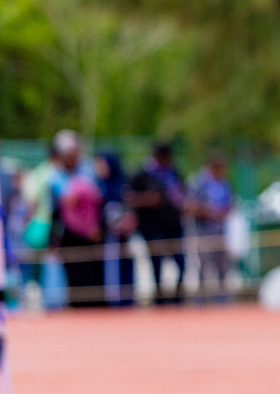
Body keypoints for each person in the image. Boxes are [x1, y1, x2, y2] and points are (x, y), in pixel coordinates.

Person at [49, 132, 105, 308]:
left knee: (93, 271)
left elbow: (96, 198)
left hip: (91, 232)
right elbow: (63, 203)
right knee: (73, 271)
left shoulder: (87, 172)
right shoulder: (55, 177)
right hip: (69, 232)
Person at [128, 142, 187, 305]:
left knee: (181, 262)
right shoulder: (141, 175)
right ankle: (159, 299)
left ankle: (177, 299)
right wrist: (149, 199)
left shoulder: (174, 173)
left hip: (173, 225)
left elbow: (183, 194)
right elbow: (129, 197)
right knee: (156, 263)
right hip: (152, 227)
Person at [187, 153, 235, 302]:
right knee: (204, 266)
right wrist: (209, 212)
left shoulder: (224, 183)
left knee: (223, 267)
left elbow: (230, 205)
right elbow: (191, 205)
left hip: (221, 231)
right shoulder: (198, 182)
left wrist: (221, 213)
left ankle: (222, 299)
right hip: (204, 231)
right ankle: (201, 299)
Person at [93, 152, 136, 307]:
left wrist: (127, 220)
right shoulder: (98, 185)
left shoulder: (122, 185)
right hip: (105, 238)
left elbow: (130, 208)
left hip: (122, 238)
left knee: (123, 268)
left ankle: (124, 300)